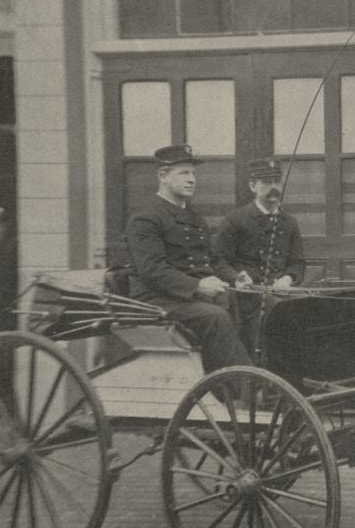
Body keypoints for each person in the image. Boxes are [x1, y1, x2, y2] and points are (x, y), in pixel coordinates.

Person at [126, 144, 252, 373]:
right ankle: (248, 390)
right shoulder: (146, 218)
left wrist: (235, 278)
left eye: (193, 173)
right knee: (215, 317)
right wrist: (197, 285)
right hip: (158, 300)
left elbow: (213, 261)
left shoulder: (194, 218)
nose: (192, 179)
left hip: (188, 299)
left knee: (247, 303)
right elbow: (152, 270)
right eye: (184, 173)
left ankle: (234, 384)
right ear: (163, 176)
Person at [216, 157, 307, 357]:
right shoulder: (235, 220)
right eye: (266, 183)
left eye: (277, 181)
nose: (273, 187)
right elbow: (220, 262)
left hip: (282, 292)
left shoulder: (289, 222)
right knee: (274, 310)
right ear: (252, 186)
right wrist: (236, 277)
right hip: (248, 296)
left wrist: (287, 279)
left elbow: (297, 263)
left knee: (308, 305)